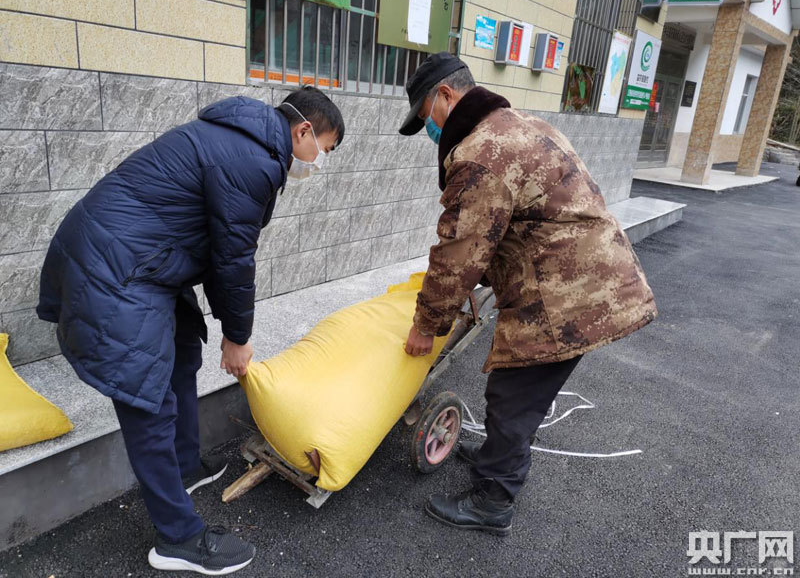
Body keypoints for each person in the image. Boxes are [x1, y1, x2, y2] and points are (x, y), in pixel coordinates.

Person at [37, 86, 344, 574]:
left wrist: (229, 328)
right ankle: (177, 538)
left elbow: (219, 245)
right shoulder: (254, 159)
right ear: (304, 131)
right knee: (147, 398)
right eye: (324, 150)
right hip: (116, 268)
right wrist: (238, 337)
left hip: (142, 258)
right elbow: (233, 259)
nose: (319, 162)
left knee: (183, 348)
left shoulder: (245, 141)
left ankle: (182, 467)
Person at [400, 53, 657, 536]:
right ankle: (498, 454)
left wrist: (426, 326)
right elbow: (518, 221)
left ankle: (492, 500)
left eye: (426, 115)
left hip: (566, 295)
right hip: (592, 280)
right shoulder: (520, 125)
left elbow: (460, 250)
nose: (429, 129)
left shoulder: (481, 152)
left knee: (513, 395)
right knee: (524, 393)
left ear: (446, 96)